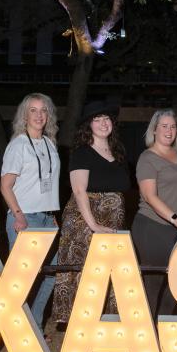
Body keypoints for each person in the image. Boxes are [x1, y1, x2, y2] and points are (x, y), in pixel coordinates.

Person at [53, 101, 130, 328]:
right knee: (83, 270)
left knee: (107, 269)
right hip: (84, 220)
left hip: (112, 220)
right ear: (89, 125)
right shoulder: (82, 152)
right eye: (97, 119)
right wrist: (94, 225)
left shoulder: (119, 152)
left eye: (106, 118)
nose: (103, 123)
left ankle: (104, 321)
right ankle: (79, 324)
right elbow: (79, 190)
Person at [0, 93, 61, 329]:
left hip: (46, 218)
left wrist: (51, 214)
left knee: (51, 273)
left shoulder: (49, 143)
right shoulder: (18, 145)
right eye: (33, 110)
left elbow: (46, 183)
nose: (38, 115)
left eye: (43, 110)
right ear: (24, 115)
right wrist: (18, 215)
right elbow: (5, 186)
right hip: (25, 218)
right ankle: (11, 327)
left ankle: (33, 323)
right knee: (22, 279)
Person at [132, 110, 177, 318]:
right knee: (153, 285)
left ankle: (163, 331)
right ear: (154, 130)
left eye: (173, 126)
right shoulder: (147, 158)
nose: (169, 130)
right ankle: (147, 339)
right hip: (153, 228)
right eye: (164, 126)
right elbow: (150, 196)